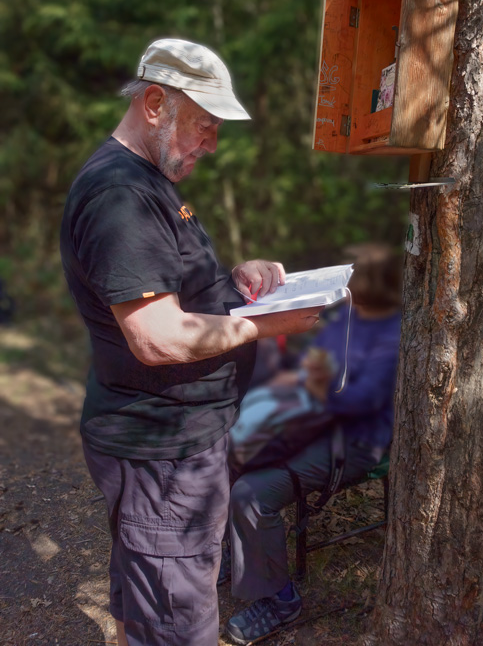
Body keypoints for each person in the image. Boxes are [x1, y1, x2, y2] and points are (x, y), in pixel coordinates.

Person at [60, 38, 322, 646]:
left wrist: (235, 281)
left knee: (144, 591)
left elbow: (170, 288)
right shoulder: (120, 196)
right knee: (179, 624)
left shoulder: (152, 181)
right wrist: (266, 325)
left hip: (170, 443)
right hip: (161, 450)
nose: (211, 144)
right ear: (155, 103)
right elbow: (155, 337)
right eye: (204, 127)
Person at [224, 243, 402, 645]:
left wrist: (313, 390)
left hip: (357, 444)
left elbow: (362, 400)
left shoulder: (393, 333)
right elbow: (313, 367)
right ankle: (240, 556)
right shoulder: (345, 321)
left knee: (251, 494)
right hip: (317, 424)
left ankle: (280, 600)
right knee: (230, 451)